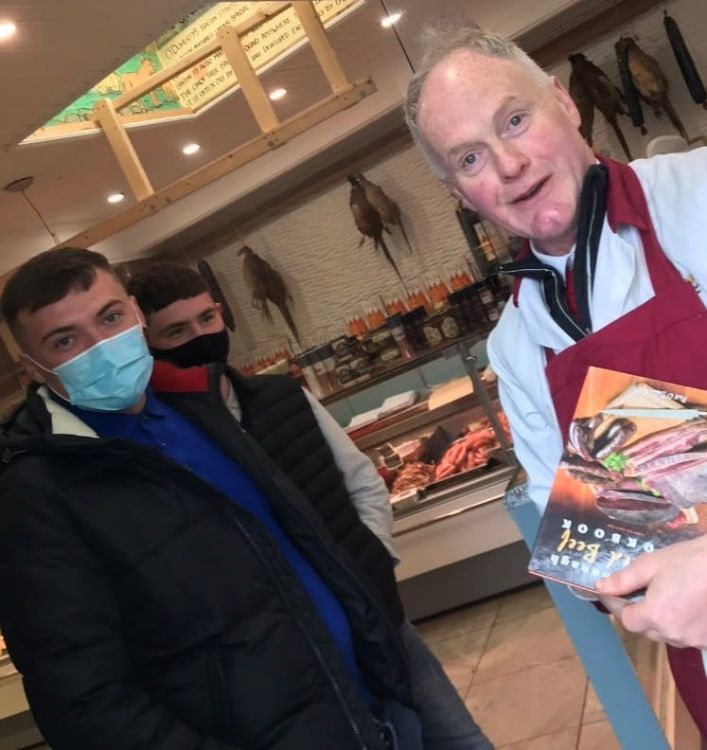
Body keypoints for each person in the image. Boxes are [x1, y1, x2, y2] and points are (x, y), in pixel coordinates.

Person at [404, 23, 707, 736]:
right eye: (471, 157)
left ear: (564, 105)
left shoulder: (695, 197)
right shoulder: (517, 346)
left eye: (515, 120)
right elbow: (592, 555)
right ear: (457, 190)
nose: (507, 164)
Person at [0, 247, 421, 750]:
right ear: (33, 371)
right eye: (66, 340)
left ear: (136, 312)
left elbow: (293, 548)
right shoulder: (33, 494)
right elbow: (84, 703)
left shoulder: (199, 404)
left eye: (110, 318)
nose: (102, 346)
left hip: (368, 712)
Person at [127, 261, 494, 750]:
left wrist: (372, 564)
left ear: (221, 314)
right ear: (149, 342)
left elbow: (362, 481)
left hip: (375, 617)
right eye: (176, 330)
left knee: (458, 738)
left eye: (206, 319)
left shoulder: (283, 396)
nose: (199, 336)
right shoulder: (172, 440)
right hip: (298, 657)